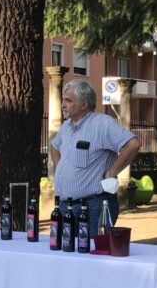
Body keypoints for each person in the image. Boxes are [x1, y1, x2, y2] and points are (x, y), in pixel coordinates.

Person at [50, 79, 141, 233]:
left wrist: (112, 173)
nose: (62, 105)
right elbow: (54, 146)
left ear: (84, 104)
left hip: (94, 206)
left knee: (93, 253)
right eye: (63, 100)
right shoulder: (66, 126)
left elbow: (133, 144)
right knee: (66, 253)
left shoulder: (102, 124)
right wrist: (60, 168)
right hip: (66, 207)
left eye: (68, 101)